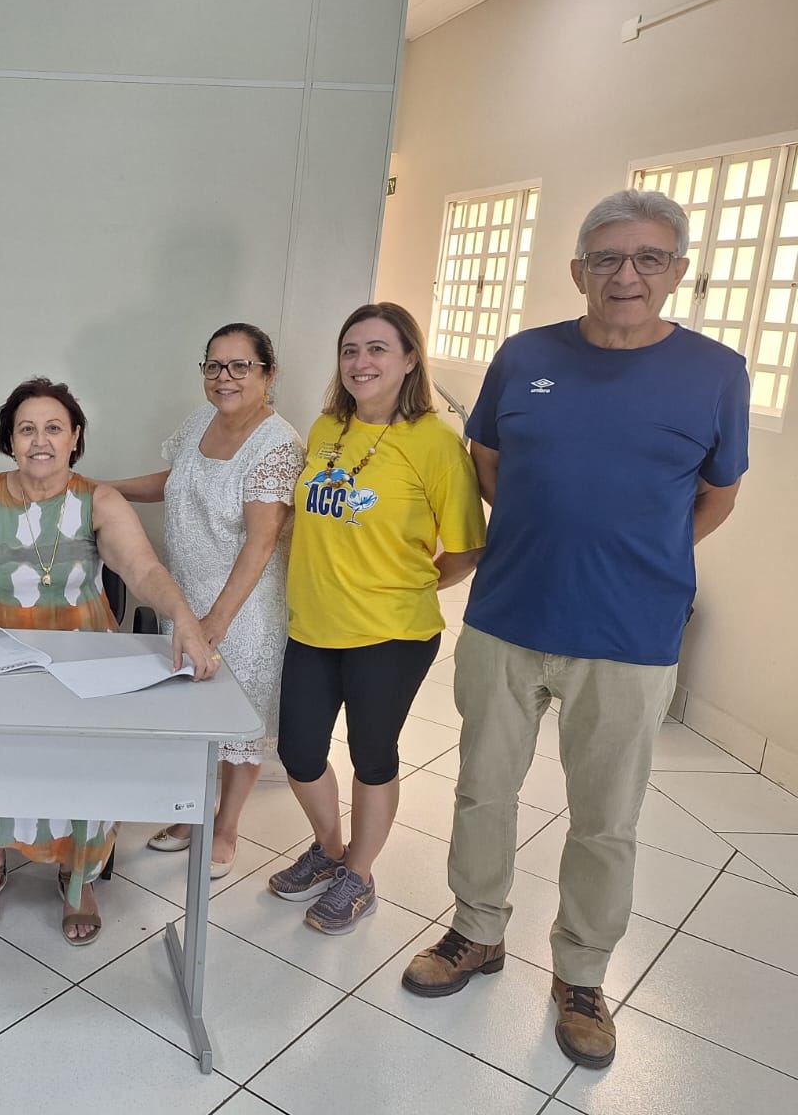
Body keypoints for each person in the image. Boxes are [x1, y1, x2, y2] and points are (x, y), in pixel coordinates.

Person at [403, 190, 749, 1070]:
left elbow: (717, 496)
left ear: (677, 271)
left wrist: (636, 552)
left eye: (649, 258)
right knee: (482, 789)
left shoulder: (716, 373)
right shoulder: (524, 357)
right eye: (607, 257)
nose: (626, 275)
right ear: (578, 269)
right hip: (509, 615)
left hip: (630, 635)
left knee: (605, 819)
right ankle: (475, 931)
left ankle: (583, 977)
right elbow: (487, 463)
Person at [0, 378, 219, 945]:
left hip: (84, 662)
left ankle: (78, 874)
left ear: (75, 437)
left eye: (53, 428)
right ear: (10, 440)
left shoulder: (97, 500)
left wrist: (183, 618)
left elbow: (144, 571)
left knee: (87, 760)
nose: (40, 441)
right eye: (26, 429)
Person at [269, 302, 485, 934]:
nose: (360, 362)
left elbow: (467, 548)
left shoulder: (437, 445)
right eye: (350, 350)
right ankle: (330, 850)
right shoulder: (325, 429)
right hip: (313, 624)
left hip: (393, 632)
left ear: (410, 359)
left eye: (377, 349)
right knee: (298, 751)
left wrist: (407, 586)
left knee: (371, 754)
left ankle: (358, 875)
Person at [108, 323, 304, 878]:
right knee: (193, 714)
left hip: (243, 609)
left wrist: (216, 622)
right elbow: (176, 481)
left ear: (268, 374)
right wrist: (105, 488)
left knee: (238, 720)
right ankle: (193, 813)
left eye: (241, 366)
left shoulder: (277, 445)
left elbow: (262, 541)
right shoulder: (201, 422)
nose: (225, 377)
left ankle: (226, 826)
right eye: (214, 365)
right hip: (186, 595)